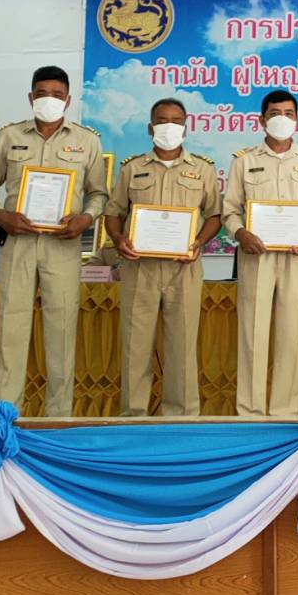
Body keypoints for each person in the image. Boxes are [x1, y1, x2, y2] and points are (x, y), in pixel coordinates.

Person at [0, 66, 107, 417]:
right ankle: (7, 414)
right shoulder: (8, 137)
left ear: (68, 100)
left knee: (61, 331)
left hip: (63, 246)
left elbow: (99, 194)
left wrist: (86, 218)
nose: (49, 100)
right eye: (42, 94)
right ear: (31, 97)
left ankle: (58, 417)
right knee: (11, 329)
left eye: (57, 95)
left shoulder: (87, 141)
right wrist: (0, 214)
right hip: (17, 243)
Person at [103, 97, 222, 417]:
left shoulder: (203, 169)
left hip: (184, 269)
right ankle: (133, 415)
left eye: (176, 121)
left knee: (182, 346)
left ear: (186, 127)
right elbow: (113, 213)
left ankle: (181, 417)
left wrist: (199, 242)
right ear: (150, 127)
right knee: (135, 345)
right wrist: (118, 239)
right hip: (139, 268)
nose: (169, 126)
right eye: (162, 120)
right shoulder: (132, 168)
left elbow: (215, 215)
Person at [222, 89, 298, 416]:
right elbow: (229, 210)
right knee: (253, 333)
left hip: (296, 256)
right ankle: (250, 412)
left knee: (290, 333)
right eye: (274, 114)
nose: (281, 119)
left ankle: (285, 410)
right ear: (262, 120)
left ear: (297, 119)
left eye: (288, 114)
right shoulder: (244, 161)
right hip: (255, 256)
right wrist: (240, 233)